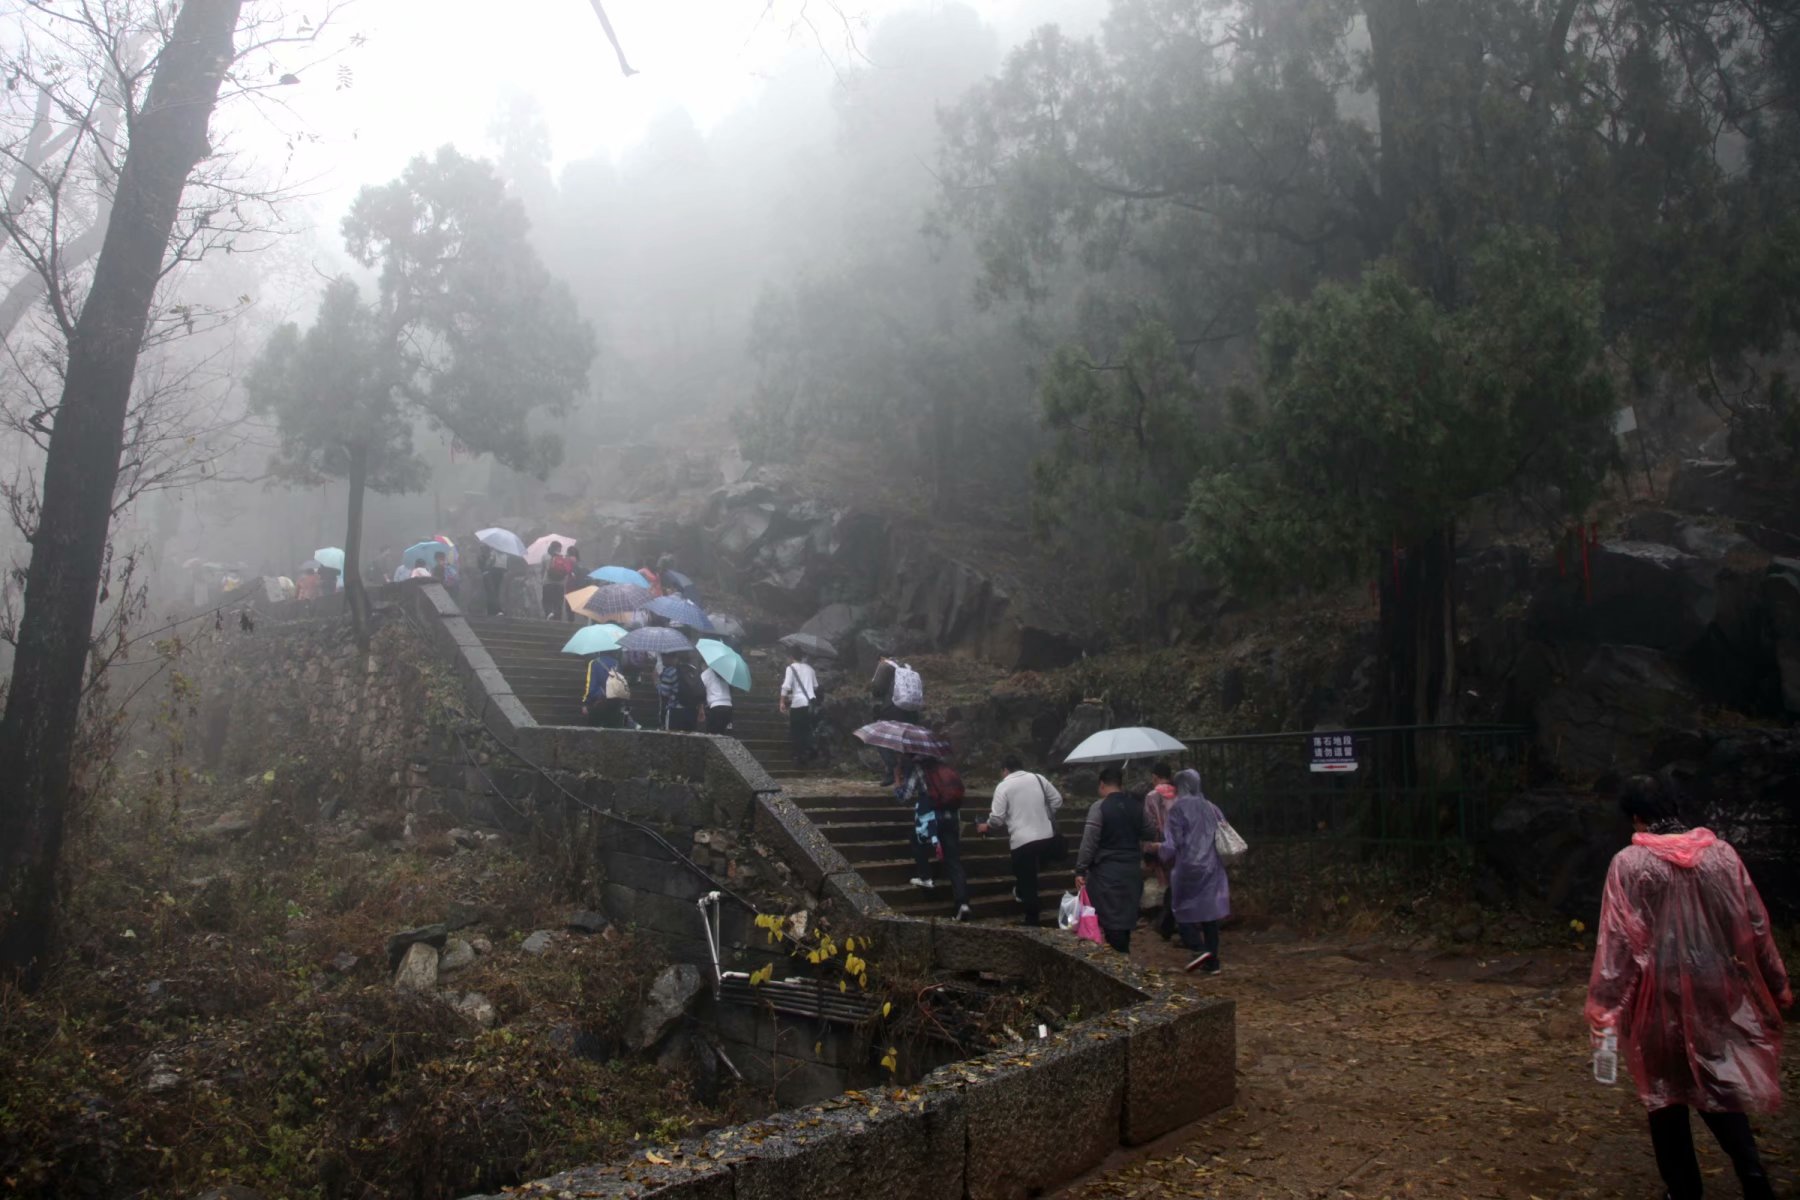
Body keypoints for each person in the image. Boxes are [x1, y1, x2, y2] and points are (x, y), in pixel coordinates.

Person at [1586, 773, 1789, 1200]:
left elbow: (1619, 942)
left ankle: (1683, 1188)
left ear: (1638, 817)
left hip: (1656, 994)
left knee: (1665, 1093)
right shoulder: (1722, 857)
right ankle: (1752, 1174)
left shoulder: (1630, 865)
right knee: (1719, 1082)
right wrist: (1778, 984)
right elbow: (1754, 926)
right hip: (1716, 988)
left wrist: (1604, 1005)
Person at [1158, 769, 1230, 973]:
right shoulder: (1211, 807)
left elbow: (1174, 843)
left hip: (1188, 867)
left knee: (1180, 908)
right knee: (1210, 913)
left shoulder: (1177, 809)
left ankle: (1197, 948)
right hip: (1212, 865)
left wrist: (1158, 850)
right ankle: (1213, 961)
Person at [976, 755, 1062, 926]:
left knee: (1027, 879)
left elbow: (997, 818)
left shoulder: (1004, 786)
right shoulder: (1038, 778)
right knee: (1027, 874)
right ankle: (1022, 892)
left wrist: (987, 825)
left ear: (1005, 770)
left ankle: (1032, 920)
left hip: (1022, 841)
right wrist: (1043, 814)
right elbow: (1057, 800)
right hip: (1046, 837)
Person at [1074, 765, 1150, 953]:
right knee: (1124, 916)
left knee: (1111, 918)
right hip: (1132, 870)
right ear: (1121, 784)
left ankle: (1119, 960)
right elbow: (1150, 831)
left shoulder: (1099, 808)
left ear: (1101, 784)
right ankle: (1123, 952)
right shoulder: (1137, 807)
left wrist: (1080, 869)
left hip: (1106, 872)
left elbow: (1089, 842)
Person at [895, 752, 970, 920]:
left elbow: (904, 795)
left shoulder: (919, 769)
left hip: (931, 819)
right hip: (952, 817)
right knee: (953, 861)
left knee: (916, 839)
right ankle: (963, 903)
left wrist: (897, 777)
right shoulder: (946, 768)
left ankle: (925, 877)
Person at [1143, 762, 1178, 939]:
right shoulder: (1179, 792)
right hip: (1181, 844)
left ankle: (1168, 922)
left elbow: (1150, 824)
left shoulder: (1152, 795)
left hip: (1162, 844)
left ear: (1155, 776)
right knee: (1178, 882)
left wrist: (1149, 848)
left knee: (1168, 885)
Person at [778, 645, 820, 766]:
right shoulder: (810, 669)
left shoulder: (791, 668)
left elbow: (786, 686)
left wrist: (782, 701)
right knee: (806, 730)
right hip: (810, 704)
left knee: (796, 731)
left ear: (791, 657)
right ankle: (808, 753)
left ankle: (799, 757)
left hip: (798, 705)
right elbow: (815, 686)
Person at [581, 653, 632, 728]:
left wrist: (585, 703)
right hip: (615, 701)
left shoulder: (594, 663)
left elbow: (590, 686)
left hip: (599, 701)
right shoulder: (617, 663)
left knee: (594, 730)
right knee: (612, 729)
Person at [700, 662, 734, 734]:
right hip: (728, 706)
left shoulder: (706, 673)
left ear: (704, 665)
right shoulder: (724, 673)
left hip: (716, 706)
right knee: (722, 733)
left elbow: (699, 689)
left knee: (712, 733)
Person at [544, 542, 572, 620]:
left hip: (548, 583)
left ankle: (548, 615)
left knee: (548, 602)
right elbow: (567, 571)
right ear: (559, 548)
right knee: (558, 603)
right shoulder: (563, 558)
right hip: (560, 584)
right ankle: (557, 619)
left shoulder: (545, 557)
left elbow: (543, 570)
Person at [478, 543, 506, 616]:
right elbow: (485, 566)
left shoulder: (491, 554)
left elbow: (487, 565)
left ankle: (493, 610)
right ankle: (494, 610)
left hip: (492, 573)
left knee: (492, 592)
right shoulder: (502, 554)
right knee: (493, 592)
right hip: (494, 574)